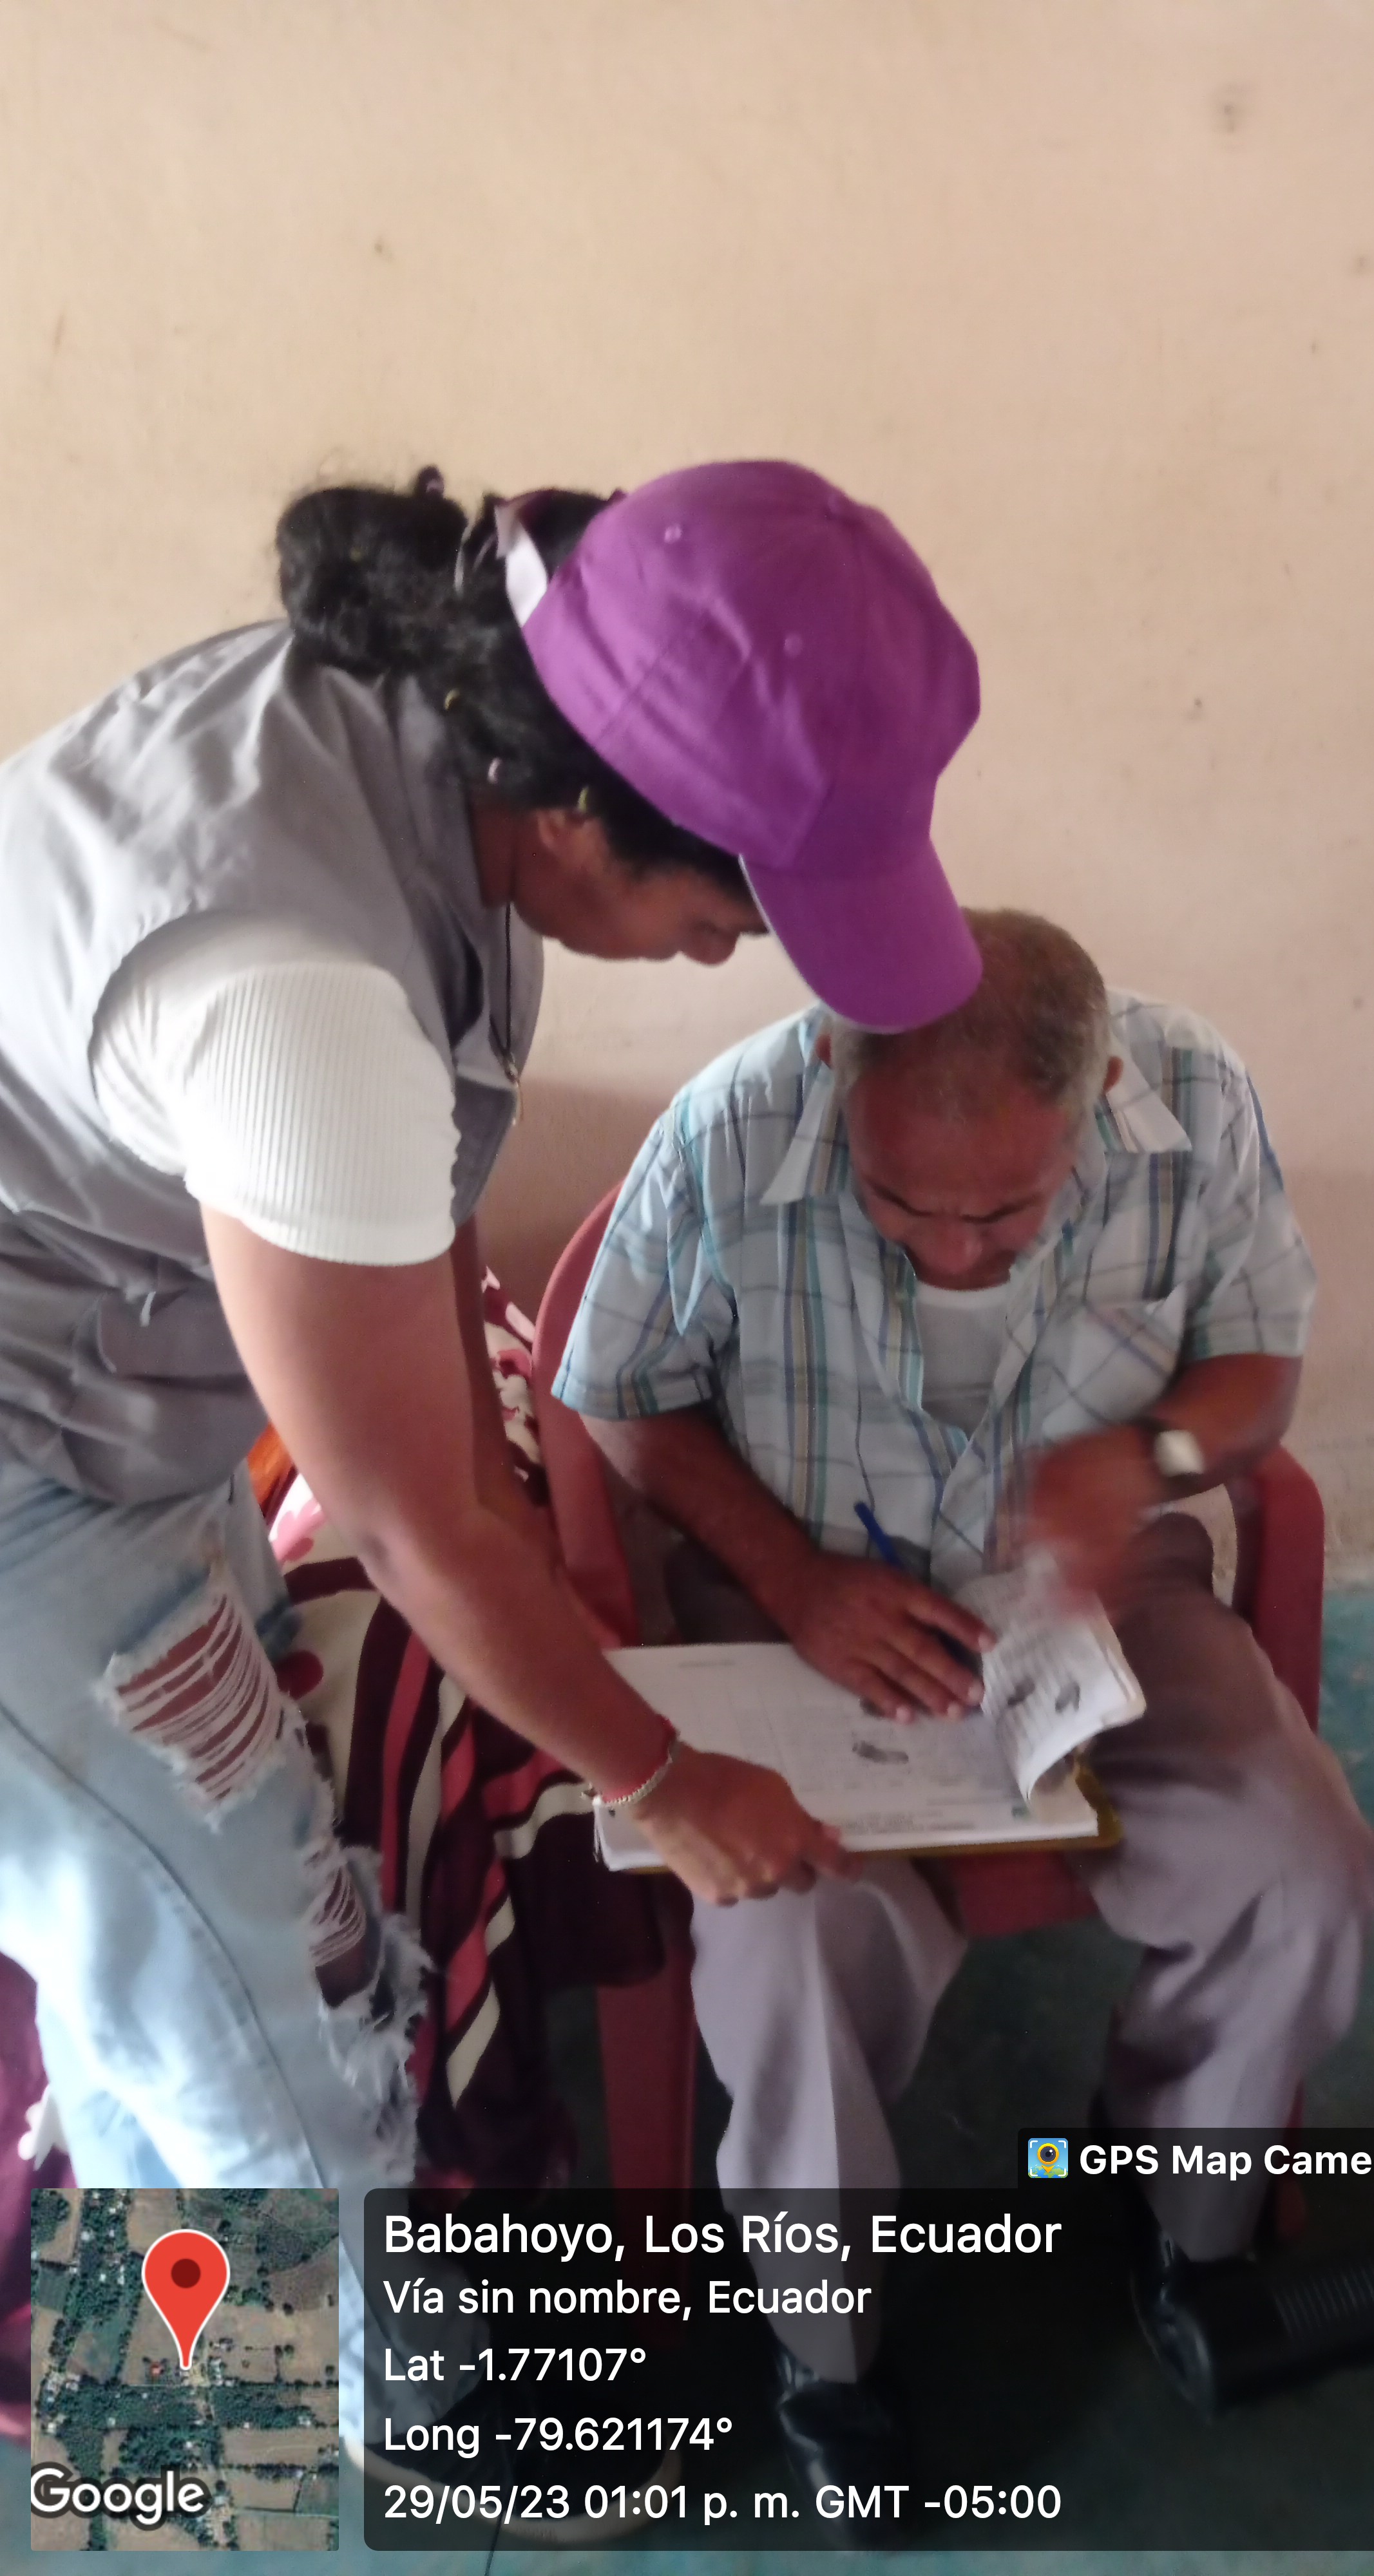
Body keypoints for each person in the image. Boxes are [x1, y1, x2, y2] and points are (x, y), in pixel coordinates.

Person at [0, 457, 986, 2456]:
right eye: (734, 903)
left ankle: (183, 2362)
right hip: (35, 1462)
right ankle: (368, 2417)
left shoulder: (444, 722)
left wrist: (498, 1507)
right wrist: (667, 1777)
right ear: (577, 814)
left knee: (174, 1939)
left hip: (115, 1374)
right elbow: (409, 1517)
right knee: (259, 2013)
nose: (739, 949)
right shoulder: (296, 991)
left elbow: (420, 1226)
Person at [555, 907, 1374, 2490]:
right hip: (800, 1603)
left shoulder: (1195, 1097)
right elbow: (620, 1399)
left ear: (1102, 1093)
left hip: (1096, 1603)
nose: (957, 1251)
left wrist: (1146, 1456)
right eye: (902, 1205)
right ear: (836, 1069)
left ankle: (1174, 2197)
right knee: (790, 1935)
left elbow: (1260, 1368)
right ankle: (829, 2342)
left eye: (1010, 1209)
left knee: (1304, 1864)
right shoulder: (730, 1128)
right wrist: (794, 1580)